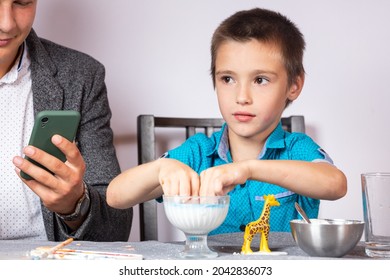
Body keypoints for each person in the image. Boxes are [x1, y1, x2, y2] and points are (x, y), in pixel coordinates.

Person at [106, 8, 347, 234]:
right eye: (228, 79)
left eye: (260, 80)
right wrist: (161, 169)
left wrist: (248, 169)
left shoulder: (297, 148)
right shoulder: (199, 153)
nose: (242, 97)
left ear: (293, 86)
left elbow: (335, 184)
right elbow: (115, 196)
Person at [0, 0, 132, 241]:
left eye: (22, 2)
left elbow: (117, 224)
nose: (7, 24)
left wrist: (75, 206)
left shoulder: (81, 77)